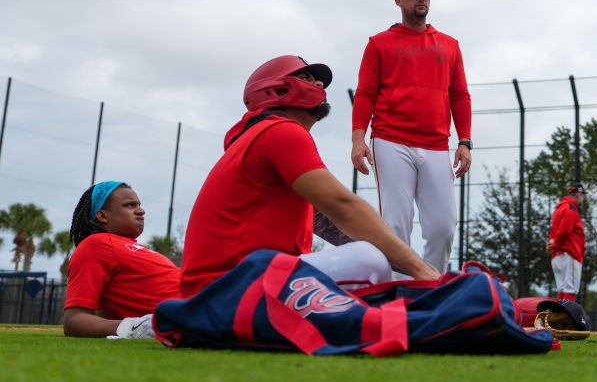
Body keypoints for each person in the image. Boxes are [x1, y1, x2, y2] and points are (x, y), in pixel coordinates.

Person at [180, 55, 438, 298]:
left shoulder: (260, 135)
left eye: (319, 81)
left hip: (222, 289)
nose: (318, 84)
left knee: (376, 262)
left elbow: (340, 228)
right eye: (305, 77)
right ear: (275, 90)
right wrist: (423, 271)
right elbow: (343, 208)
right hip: (228, 290)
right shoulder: (281, 131)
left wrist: (420, 273)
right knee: (368, 259)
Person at [351, 0, 472, 275]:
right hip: (390, 140)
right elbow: (365, 93)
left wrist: (465, 142)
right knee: (395, 223)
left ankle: (429, 286)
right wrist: (357, 139)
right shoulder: (379, 43)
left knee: (443, 227)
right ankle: (399, 293)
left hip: (435, 145)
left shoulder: (449, 44)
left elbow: (460, 96)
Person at [64, 182, 180, 338]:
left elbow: (107, 312)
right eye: (130, 205)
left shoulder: (126, 247)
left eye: (139, 205)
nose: (141, 211)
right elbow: (74, 321)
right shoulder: (95, 244)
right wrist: (136, 326)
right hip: (196, 312)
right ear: (103, 216)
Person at [548, 182, 586, 302]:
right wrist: (555, 245)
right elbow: (564, 231)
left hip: (559, 255)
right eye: (582, 194)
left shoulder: (559, 208)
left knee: (564, 291)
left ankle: (557, 320)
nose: (583, 197)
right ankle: (565, 320)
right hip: (569, 254)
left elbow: (554, 231)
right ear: (578, 193)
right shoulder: (570, 208)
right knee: (570, 291)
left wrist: (552, 245)